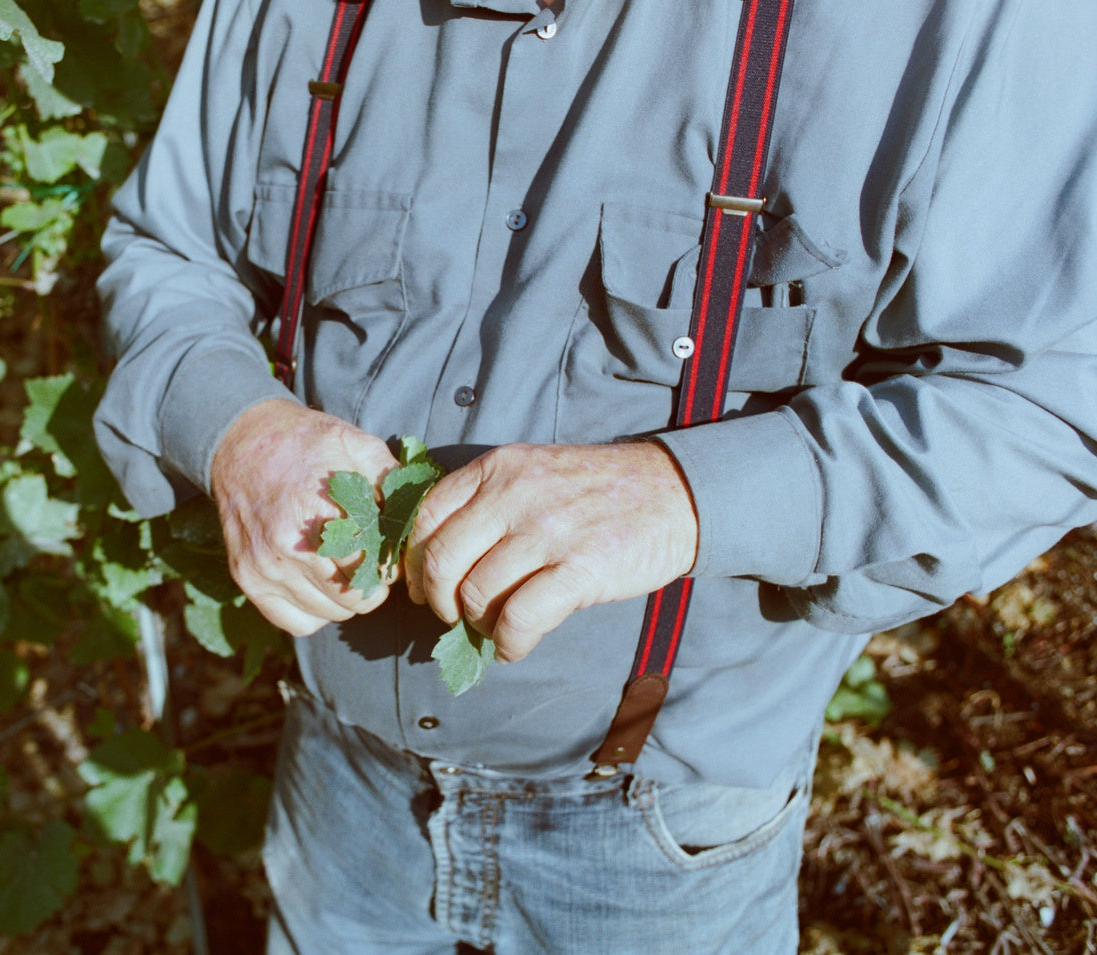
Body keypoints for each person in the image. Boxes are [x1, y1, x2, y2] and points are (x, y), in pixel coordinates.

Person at [94, 1, 1097, 951]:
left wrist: (684, 496)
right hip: (339, 784)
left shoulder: (955, 27)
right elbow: (166, 250)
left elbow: (1048, 403)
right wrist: (237, 432)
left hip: (662, 842)